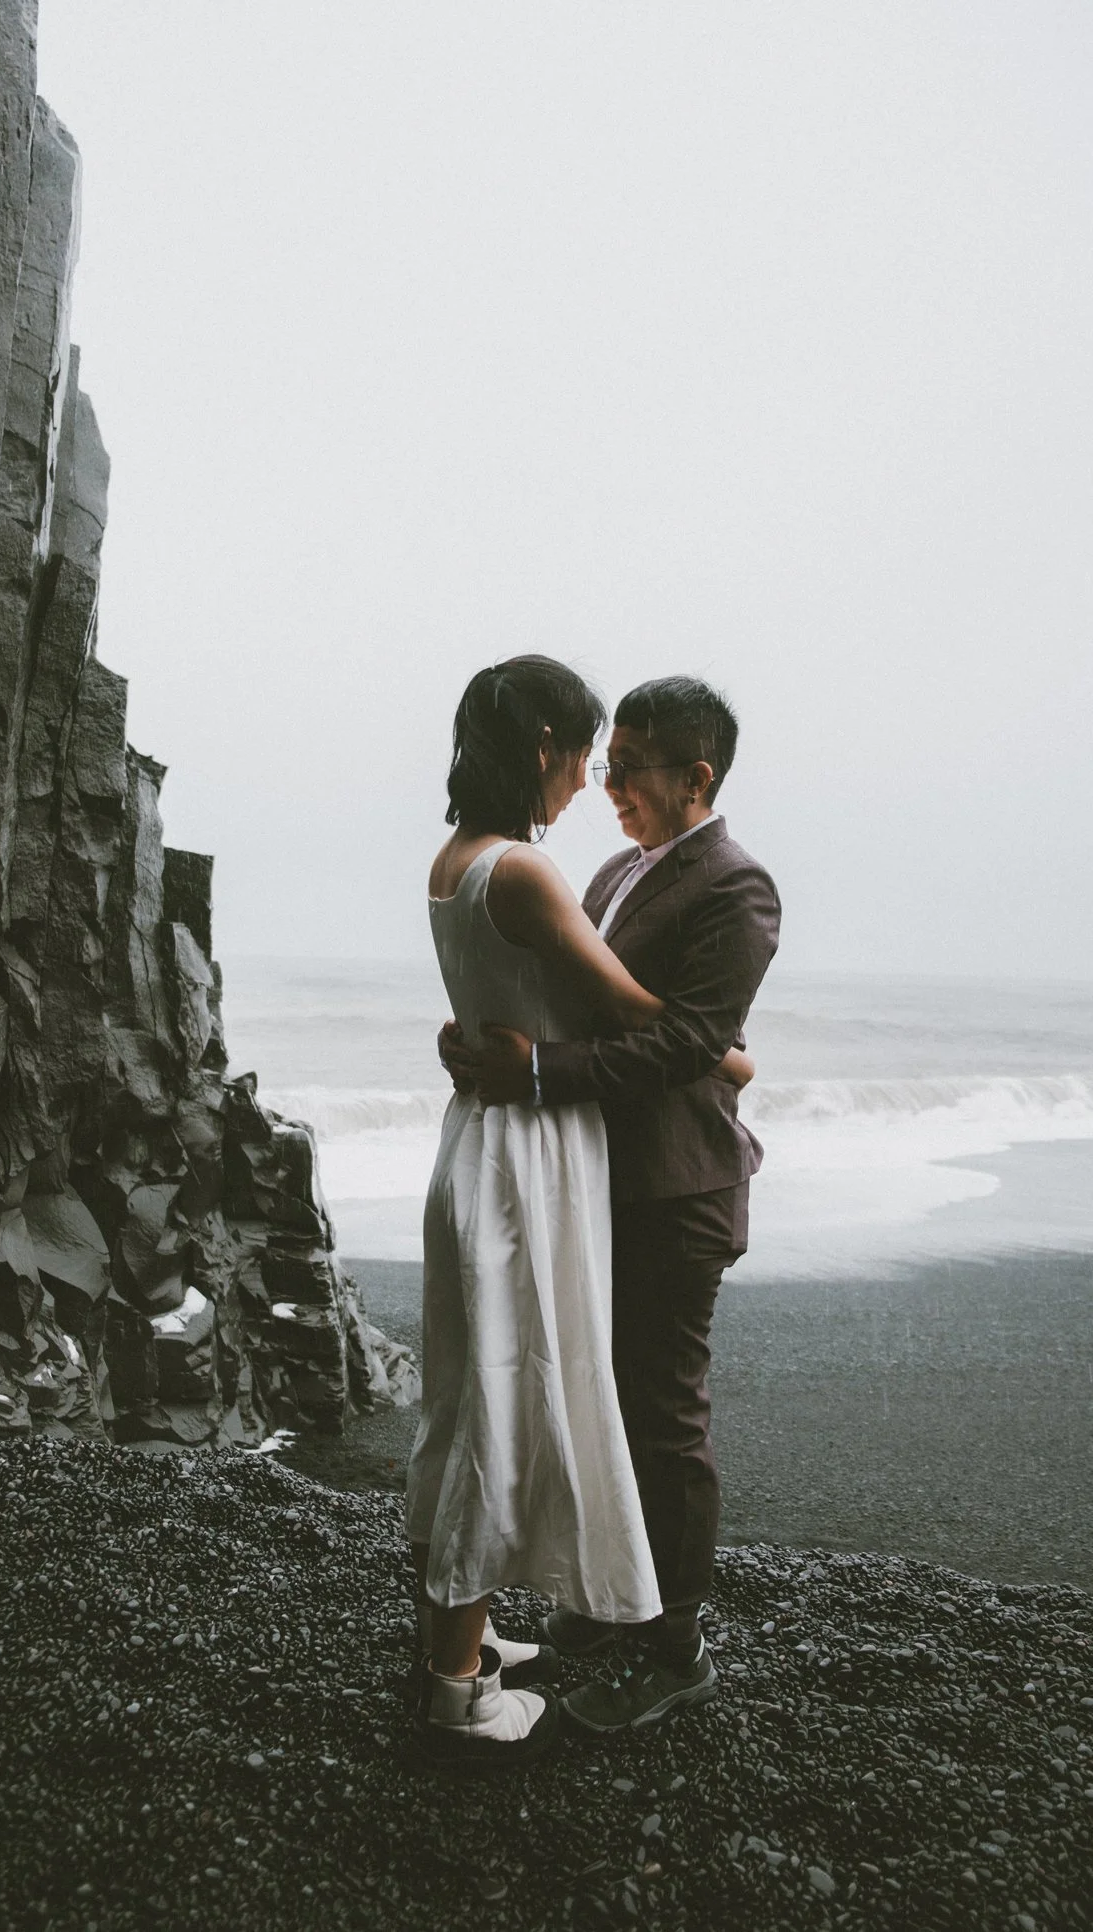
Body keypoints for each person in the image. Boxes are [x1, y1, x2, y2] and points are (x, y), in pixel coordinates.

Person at [411, 657, 754, 1772]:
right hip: (572, 1177)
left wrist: (534, 1065)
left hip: (668, 1181)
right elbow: (598, 1002)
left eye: (632, 770)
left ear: (695, 777)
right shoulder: (587, 870)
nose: (608, 786)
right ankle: (606, 1606)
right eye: (599, 764)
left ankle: (674, 1643)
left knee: (656, 1414)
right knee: (565, 1399)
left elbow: (663, 1035)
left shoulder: (735, 887)